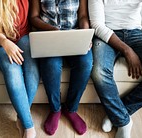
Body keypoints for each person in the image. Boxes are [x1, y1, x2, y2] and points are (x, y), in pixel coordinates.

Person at [30, 0, 93, 135]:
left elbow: (82, 16)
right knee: (51, 65)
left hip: (74, 35)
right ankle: (55, 109)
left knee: (85, 64)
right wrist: (51, 29)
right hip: (49, 36)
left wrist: (86, 34)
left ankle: (71, 109)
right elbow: (33, 17)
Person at [0, 0, 39, 138]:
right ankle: (29, 127)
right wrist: (6, 43)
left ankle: (21, 117)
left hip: (23, 35)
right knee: (12, 68)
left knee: (33, 71)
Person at [88, 0, 142, 138]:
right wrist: (127, 51)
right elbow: (97, 25)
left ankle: (119, 112)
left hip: (135, 32)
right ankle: (124, 122)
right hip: (106, 35)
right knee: (98, 71)